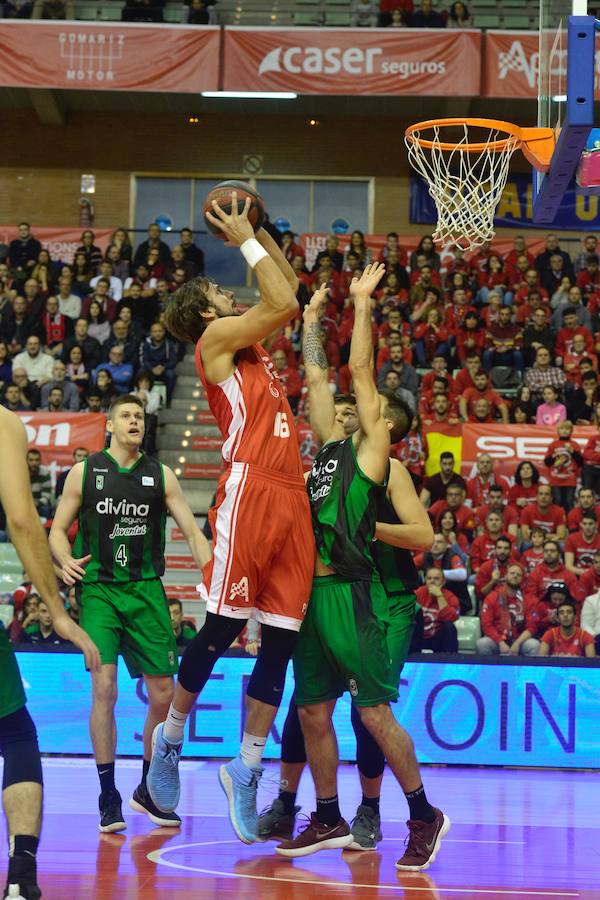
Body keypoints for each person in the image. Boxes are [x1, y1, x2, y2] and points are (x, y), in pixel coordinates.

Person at [146, 195, 315, 845]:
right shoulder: (216, 340)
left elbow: (287, 288)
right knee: (219, 627)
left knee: (280, 642)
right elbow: (284, 302)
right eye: (220, 289)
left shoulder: (249, 344)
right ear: (206, 312)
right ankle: (170, 742)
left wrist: (263, 230)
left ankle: (245, 767)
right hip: (249, 487)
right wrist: (246, 238)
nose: (230, 293)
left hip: (290, 495)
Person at [275, 264, 449, 868]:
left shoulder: (375, 452)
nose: (344, 408)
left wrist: (361, 304)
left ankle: (423, 813)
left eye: (358, 407)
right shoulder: (326, 447)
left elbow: (356, 370)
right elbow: (318, 372)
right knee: (312, 709)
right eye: (343, 409)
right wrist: (313, 316)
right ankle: (327, 814)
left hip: (352, 594)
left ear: (383, 425)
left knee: (372, 711)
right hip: (309, 596)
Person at [49, 394, 211, 833]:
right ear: (110, 425)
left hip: (146, 591)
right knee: (104, 687)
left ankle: (147, 788)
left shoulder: (161, 475)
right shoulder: (86, 472)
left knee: (163, 693)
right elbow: (59, 530)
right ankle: (107, 793)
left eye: (140, 416)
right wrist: (63, 557)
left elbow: (193, 532)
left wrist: (214, 572)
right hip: (100, 591)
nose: (135, 421)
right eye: (126, 415)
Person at [0, 406, 100, 900]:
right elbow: (21, 518)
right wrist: (58, 613)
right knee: (15, 731)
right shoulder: (3, 422)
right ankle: (20, 875)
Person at [477, 563, 540, 656]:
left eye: (518, 575)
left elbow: (532, 627)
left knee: (534, 645)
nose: (515, 576)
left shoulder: (529, 599)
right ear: (506, 576)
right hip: (497, 640)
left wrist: (517, 643)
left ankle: (526, 671)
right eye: (512, 573)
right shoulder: (493, 597)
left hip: (520, 640)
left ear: (522, 579)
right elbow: (486, 624)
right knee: (482, 644)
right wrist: (500, 642)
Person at [414, 569, 459, 653]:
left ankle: (449, 661)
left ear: (443, 581)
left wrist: (439, 596)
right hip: (419, 636)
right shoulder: (419, 593)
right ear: (425, 580)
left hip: (438, 638)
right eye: (429, 578)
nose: (432, 581)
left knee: (449, 627)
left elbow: (451, 618)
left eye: (436, 579)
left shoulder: (450, 596)